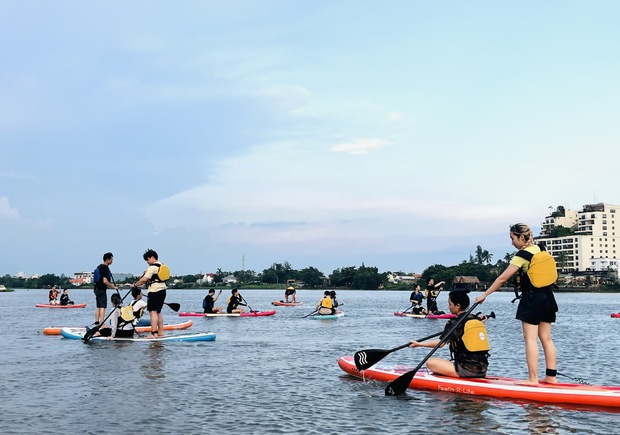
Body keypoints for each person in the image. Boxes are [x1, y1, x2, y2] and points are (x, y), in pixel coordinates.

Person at [475, 223, 559, 386]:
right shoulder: (540, 249)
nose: (512, 242)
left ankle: (533, 379)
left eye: (512, 238)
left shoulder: (522, 255)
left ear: (521, 237)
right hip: (548, 297)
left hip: (532, 299)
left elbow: (502, 278)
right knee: (547, 339)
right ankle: (551, 377)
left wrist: (484, 295)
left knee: (530, 339)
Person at [409, 290, 490, 378]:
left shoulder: (454, 322)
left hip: (466, 370)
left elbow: (439, 344)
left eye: (450, 304)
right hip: (482, 369)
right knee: (450, 361)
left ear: (458, 306)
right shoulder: (475, 319)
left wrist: (419, 344)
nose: (448, 307)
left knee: (430, 362)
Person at [133, 249, 167, 339]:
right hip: (163, 290)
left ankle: (153, 333)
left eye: (147, 260)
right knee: (158, 312)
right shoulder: (161, 265)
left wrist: (135, 284)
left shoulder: (152, 267)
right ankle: (160, 333)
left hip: (154, 291)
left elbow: (144, 280)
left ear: (152, 257)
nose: (147, 262)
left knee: (153, 312)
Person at [93, 252, 118, 325]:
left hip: (96, 289)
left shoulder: (100, 266)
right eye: (111, 259)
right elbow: (105, 281)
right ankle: (102, 323)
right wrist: (113, 287)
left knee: (98, 306)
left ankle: (97, 322)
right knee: (103, 306)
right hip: (101, 289)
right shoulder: (105, 268)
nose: (112, 261)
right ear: (107, 259)